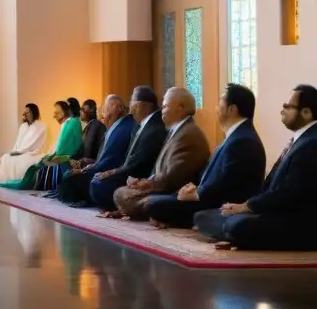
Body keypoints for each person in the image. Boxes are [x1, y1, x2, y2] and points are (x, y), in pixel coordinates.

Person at [195, 84, 317, 250]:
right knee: (208, 216)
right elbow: (270, 185)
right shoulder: (301, 140)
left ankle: (233, 232)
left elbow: (291, 193)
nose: (282, 110)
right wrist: (248, 205)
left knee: (236, 225)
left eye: (287, 106)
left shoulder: (312, 143)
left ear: (306, 113)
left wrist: (248, 207)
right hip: (278, 212)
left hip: (299, 220)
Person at [144, 84, 265, 229]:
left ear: (232, 109)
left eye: (220, 102)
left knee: (154, 204)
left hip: (220, 203)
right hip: (207, 196)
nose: (216, 108)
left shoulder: (243, 140)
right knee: (156, 201)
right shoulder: (235, 136)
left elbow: (226, 183)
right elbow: (211, 172)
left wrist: (197, 195)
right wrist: (192, 188)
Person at [111, 87, 210, 220]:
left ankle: (141, 210)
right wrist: (144, 182)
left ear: (180, 108)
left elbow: (174, 175)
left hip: (175, 192)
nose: (161, 110)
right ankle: (136, 210)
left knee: (124, 195)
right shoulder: (176, 131)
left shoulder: (189, 134)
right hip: (162, 186)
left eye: (165, 106)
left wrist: (148, 183)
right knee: (120, 192)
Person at [90, 86, 167, 214]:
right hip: (129, 173)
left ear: (142, 105)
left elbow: (137, 163)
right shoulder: (141, 124)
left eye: (132, 103)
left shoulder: (154, 128)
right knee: (96, 180)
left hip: (139, 178)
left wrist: (112, 172)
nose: (130, 109)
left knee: (98, 184)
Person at [57, 95, 135, 206]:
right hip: (97, 167)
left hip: (109, 173)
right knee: (66, 178)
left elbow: (110, 160)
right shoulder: (115, 127)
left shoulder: (123, 127)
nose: (103, 114)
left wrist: (88, 168)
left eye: (106, 110)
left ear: (118, 108)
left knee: (68, 184)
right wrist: (84, 163)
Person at [0, 100, 82, 191]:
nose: (54, 116)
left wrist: (53, 157)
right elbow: (19, 141)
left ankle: (28, 182)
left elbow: (64, 147)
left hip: (40, 154)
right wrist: (16, 150)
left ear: (63, 113)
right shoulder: (67, 124)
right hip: (51, 155)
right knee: (6, 158)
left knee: (34, 168)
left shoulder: (71, 123)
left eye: (56, 113)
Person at [0, 104, 48, 183]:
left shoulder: (41, 126)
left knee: (22, 161)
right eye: (25, 112)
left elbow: (32, 143)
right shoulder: (23, 126)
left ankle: (20, 181)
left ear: (33, 113)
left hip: (32, 153)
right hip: (20, 151)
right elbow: (18, 141)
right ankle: (8, 180)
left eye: (28, 112)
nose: (25, 114)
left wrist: (20, 152)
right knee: (5, 157)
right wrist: (14, 151)